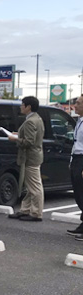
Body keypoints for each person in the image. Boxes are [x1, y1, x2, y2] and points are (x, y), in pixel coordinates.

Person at [8, 96, 45, 222]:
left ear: (28, 107)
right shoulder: (37, 119)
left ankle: (36, 213)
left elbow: (29, 142)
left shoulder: (30, 121)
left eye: (22, 105)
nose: (21, 107)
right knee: (31, 185)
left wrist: (15, 139)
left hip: (31, 157)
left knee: (34, 186)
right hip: (35, 156)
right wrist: (18, 135)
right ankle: (26, 210)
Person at [67, 95, 83, 239]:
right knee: (78, 193)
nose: (75, 106)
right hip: (77, 158)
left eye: (78, 103)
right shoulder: (80, 121)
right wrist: (72, 161)